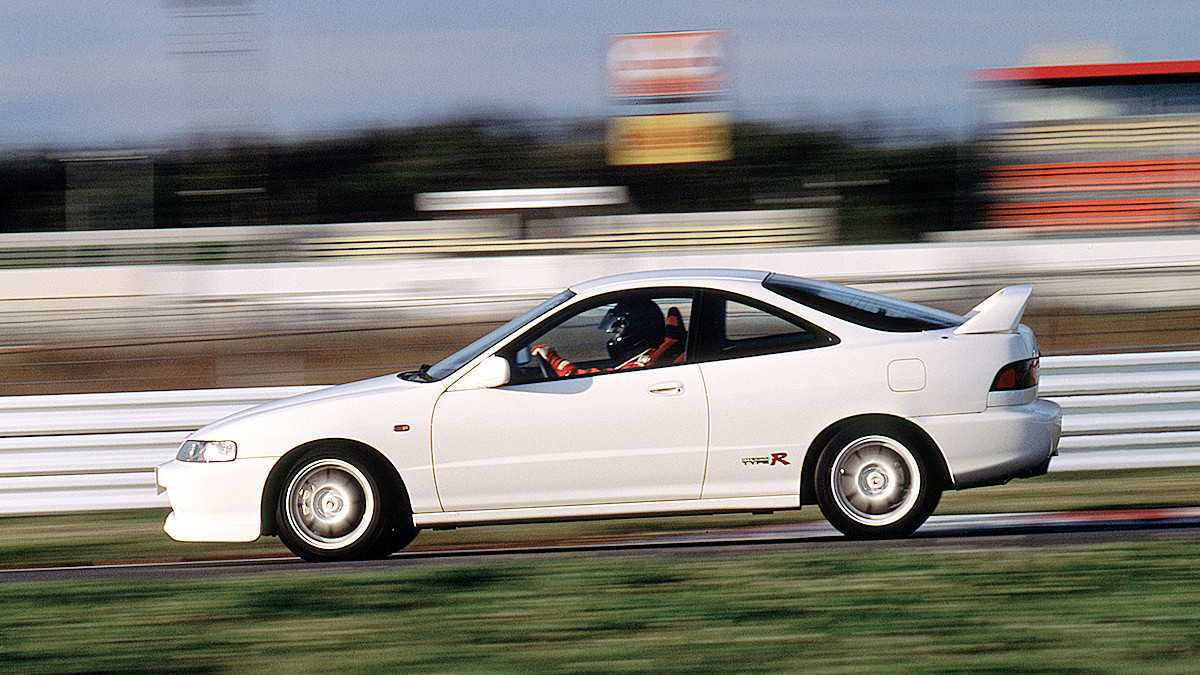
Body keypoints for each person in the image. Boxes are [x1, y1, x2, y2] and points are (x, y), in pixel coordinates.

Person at [532, 300, 686, 378]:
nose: (615, 336)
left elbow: (596, 379)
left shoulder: (645, 364)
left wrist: (553, 358)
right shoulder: (654, 354)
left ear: (637, 328)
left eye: (618, 331)